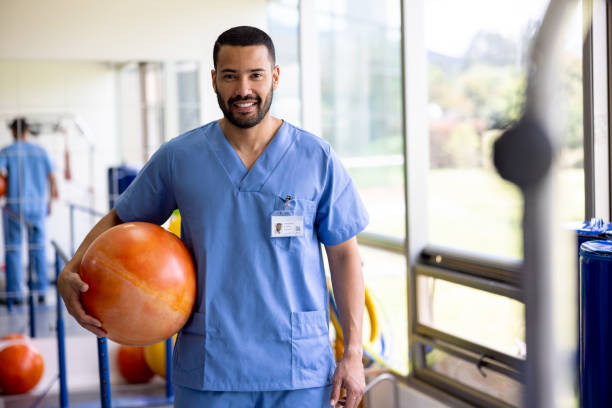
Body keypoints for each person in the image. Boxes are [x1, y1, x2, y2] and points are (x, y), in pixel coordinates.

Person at [58, 26, 369, 408]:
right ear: (213, 80)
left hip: (299, 368)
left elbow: (344, 255)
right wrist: (71, 267)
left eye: (255, 75)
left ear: (274, 76)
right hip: (210, 370)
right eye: (230, 75)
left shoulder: (316, 158)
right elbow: (121, 219)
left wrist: (353, 352)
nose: (243, 89)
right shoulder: (180, 157)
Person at [0, 117, 58, 305]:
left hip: (14, 207)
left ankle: (15, 295)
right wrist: (50, 202)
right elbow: (52, 179)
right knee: (38, 248)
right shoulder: (40, 151)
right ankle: (40, 291)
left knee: (14, 250)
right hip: (37, 206)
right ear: (27, 131)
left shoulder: (7, 151)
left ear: (13, 132)